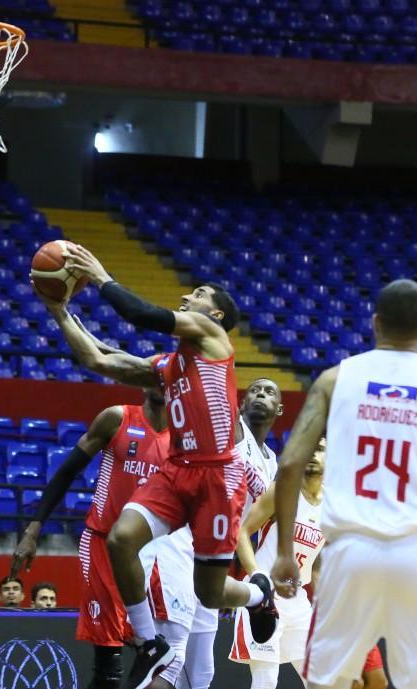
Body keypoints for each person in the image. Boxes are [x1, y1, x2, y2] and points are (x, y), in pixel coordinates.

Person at [42, 249, 278, 689]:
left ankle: (260, 595)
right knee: (120, 539)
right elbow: (100, 361)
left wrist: (99, 276)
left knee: (210, 592)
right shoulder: (169, 367)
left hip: (217, 477)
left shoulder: (211, 337)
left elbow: (143, 313)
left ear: (217, 312)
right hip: (178, 470)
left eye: (199, 293)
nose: (188, 296)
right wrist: (60, 313)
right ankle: (150, 644)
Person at [271, 278, 417, 689]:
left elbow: (289, 465)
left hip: (348, 553)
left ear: (375, 323)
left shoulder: (334, 379)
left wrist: (285, 552)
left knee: (326, 684)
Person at [11, 383, 172, 689]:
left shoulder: (182, 437)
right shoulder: (117, 419)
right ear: (143, 381)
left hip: (155, 551)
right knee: (109, 661)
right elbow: (67, 471)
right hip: (104, 545)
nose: (164, 383)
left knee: (163, 656)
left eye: (171, 378)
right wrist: (33, 529)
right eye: (157, 376)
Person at [177, 377, 285, 689]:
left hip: (217, 557)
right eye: (255, 390)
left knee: (200, 671)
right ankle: (255, 597)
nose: (261, 395)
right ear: (241, 403)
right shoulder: (235, 429)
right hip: (188, 541)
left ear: (280, 408)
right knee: (172, 656)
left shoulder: (272, 463)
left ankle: (253, 594)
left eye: (269, 391)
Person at [229, 437, 326, 688]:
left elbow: (316, 562)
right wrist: (257, 579)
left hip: (297, 598)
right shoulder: (283, 490)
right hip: (264, 596)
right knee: (266, 680)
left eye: (321, 450)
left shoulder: (333, 506)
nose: (313, 454)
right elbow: (240, 532)